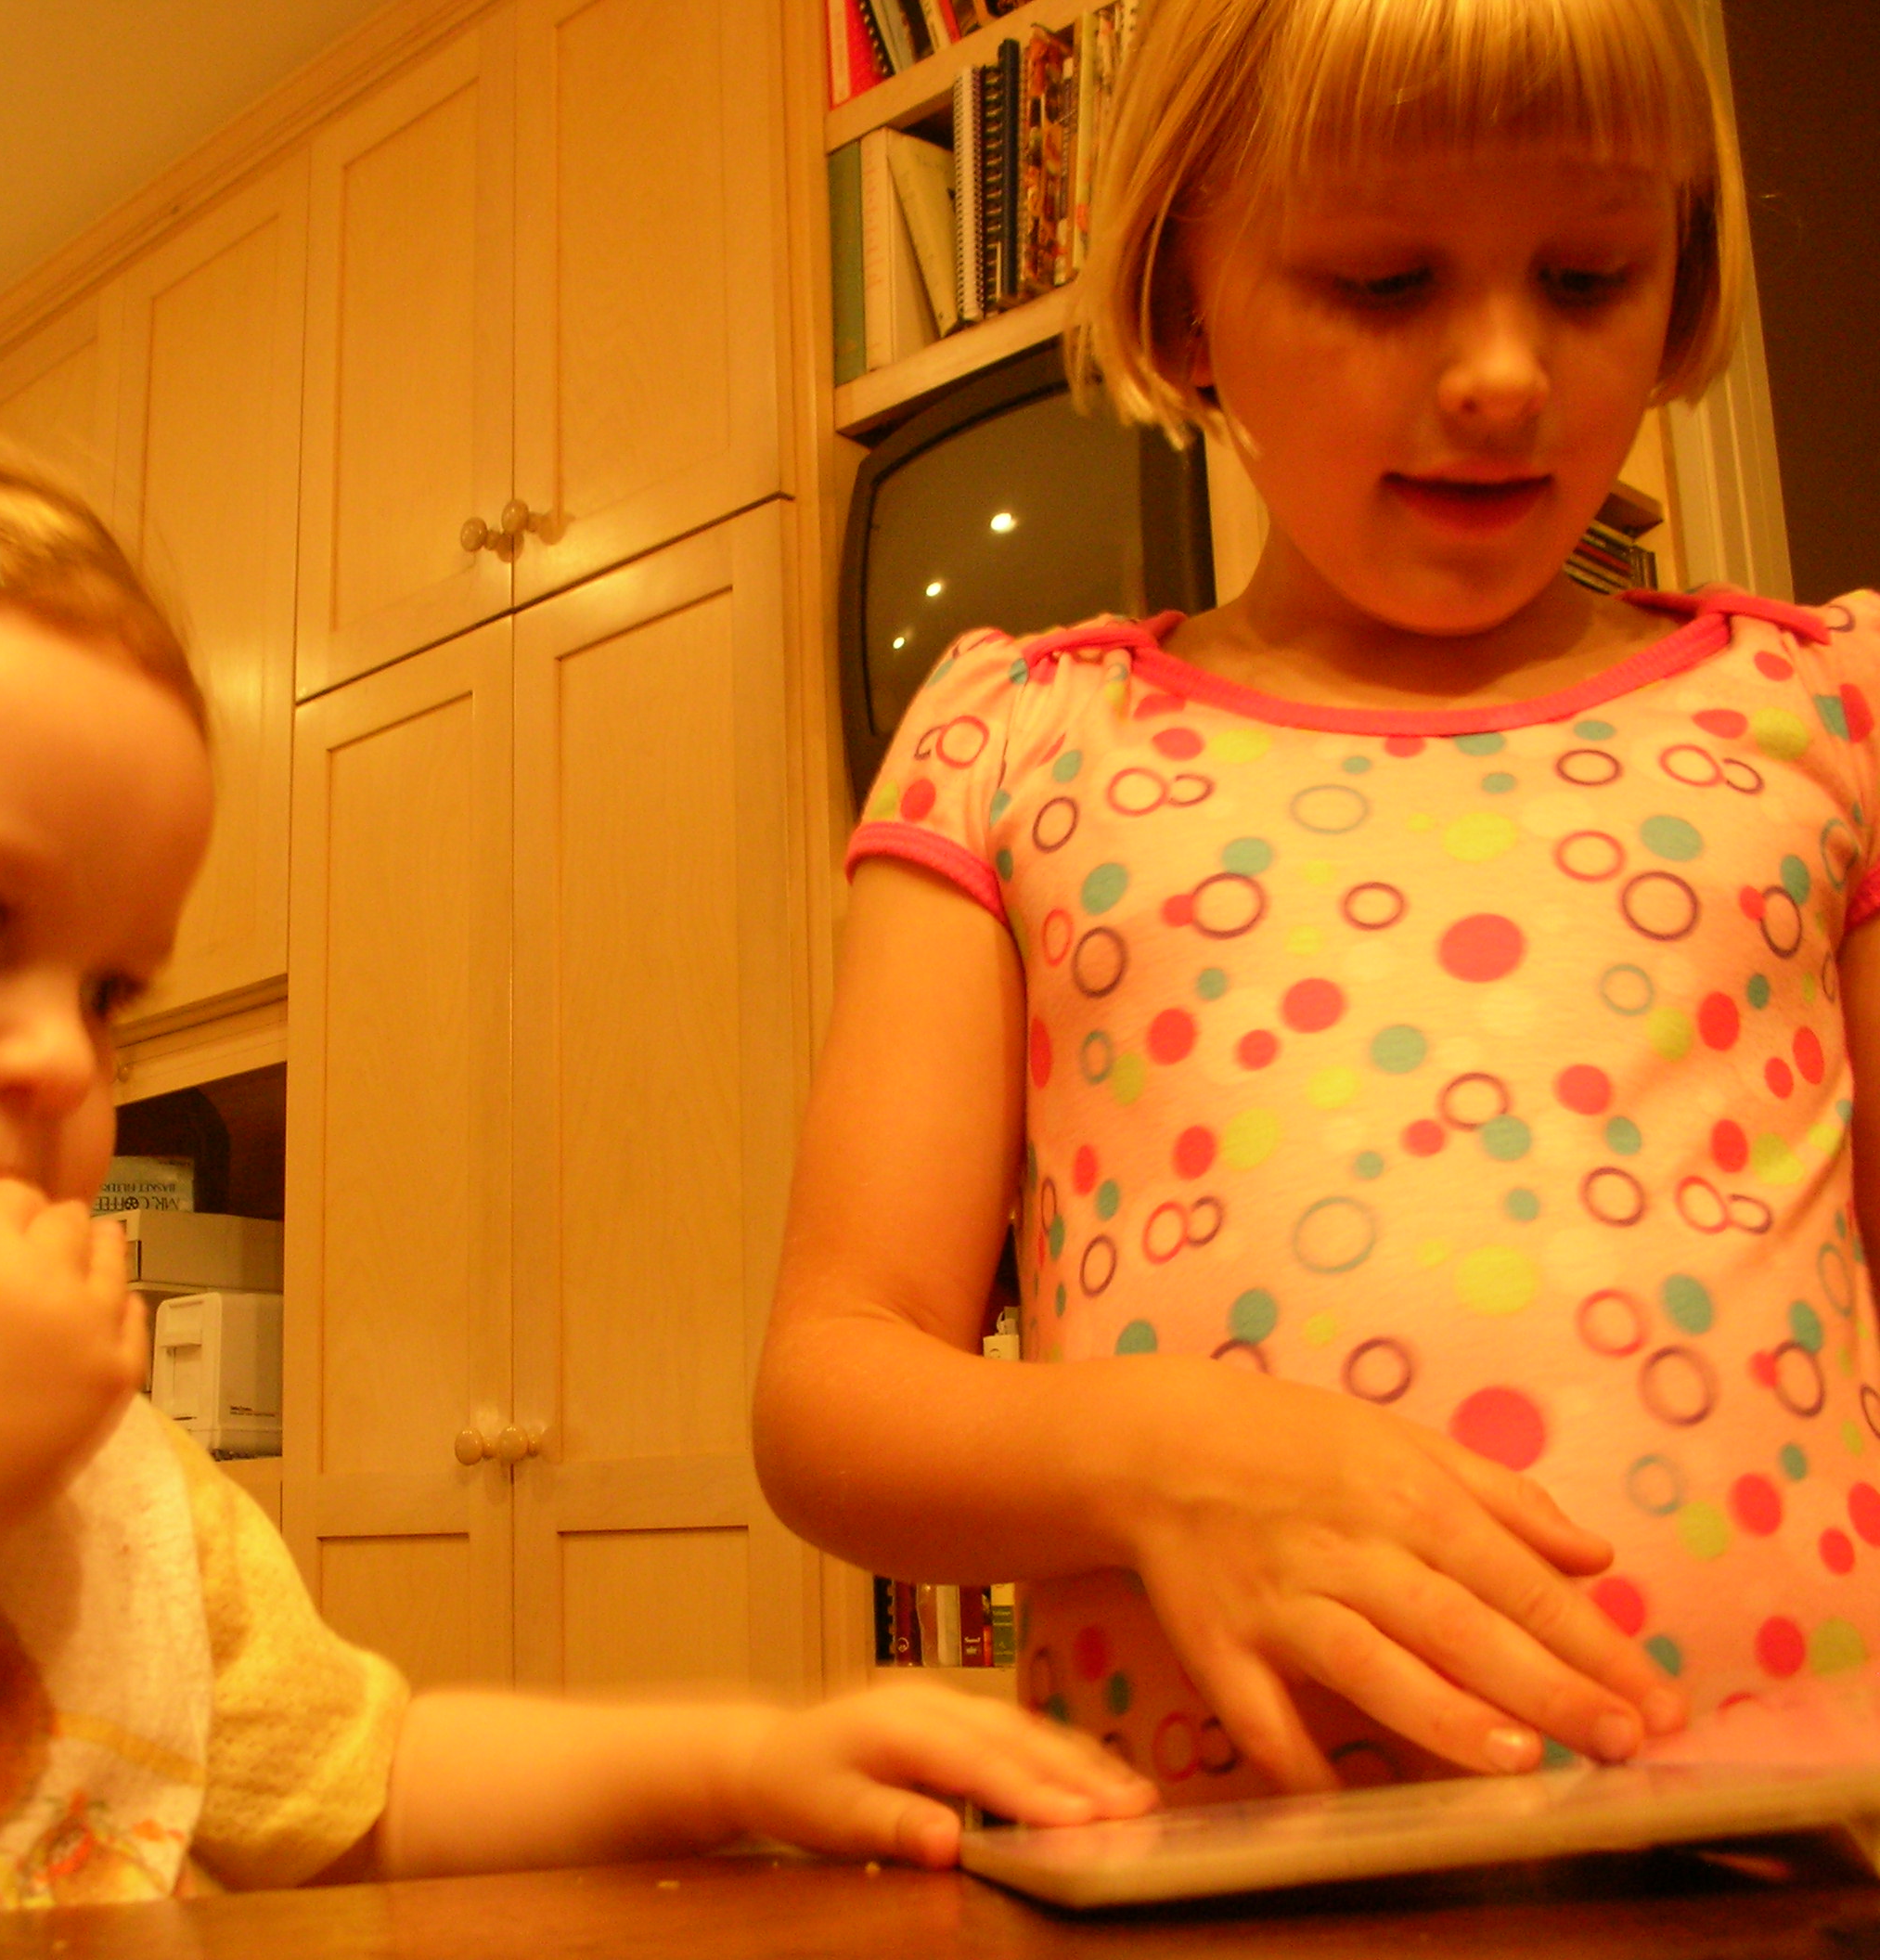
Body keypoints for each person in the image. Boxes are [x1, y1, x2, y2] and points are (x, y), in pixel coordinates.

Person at [0, 387, 1154, 1941]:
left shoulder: (112, 1482)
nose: (60, 1063)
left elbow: (365, 1788)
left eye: (108, 994)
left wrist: (737, 1763)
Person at [756, 0, 1880, 1806]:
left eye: (1588, 276)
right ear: (1185, 297)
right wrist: (1168, 1457)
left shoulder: (1828, 711)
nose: (1502, 372)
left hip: (1797, 1854)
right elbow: (831, 1388)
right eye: (1383, 281)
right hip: (1223, 1874)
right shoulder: (1015, 745)